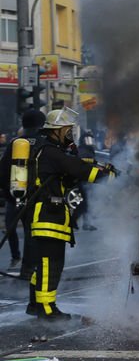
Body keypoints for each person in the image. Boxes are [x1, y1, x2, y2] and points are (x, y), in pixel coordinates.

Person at [23, 107, 115, 320]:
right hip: (48, 215)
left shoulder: (48, 151)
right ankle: (47, 309)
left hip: (47, 214)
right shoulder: (51, 152)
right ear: (57, 131)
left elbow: (70, 169)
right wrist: (110, 176)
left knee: (44, 264)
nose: (70, 135)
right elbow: (79, 170)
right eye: (67, 130)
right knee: (51, 264)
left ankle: (35, 304)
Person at [0, 109, 46, 272]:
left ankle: (16, 256)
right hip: (35, 197)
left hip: (15, 194)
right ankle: (28, 267)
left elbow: (3, 171)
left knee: (10, 227)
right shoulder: (44, 143)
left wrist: (9, 194)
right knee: (30, 232)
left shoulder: (15, 143)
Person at [72, 130, 97, 231]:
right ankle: (75, 222)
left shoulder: (88, 150)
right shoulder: (83, 150)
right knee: (85, 203)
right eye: (88, 139)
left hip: (87, 180)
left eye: (91, 140)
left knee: (85, 203)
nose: (90, 142)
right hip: (84, 180)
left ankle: (83, 223)